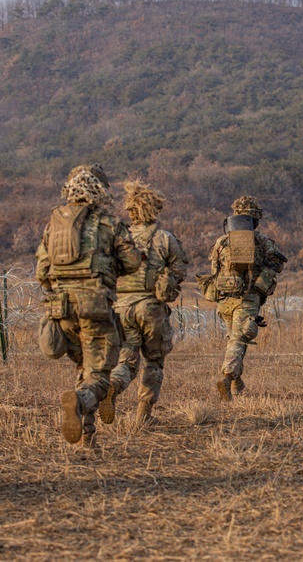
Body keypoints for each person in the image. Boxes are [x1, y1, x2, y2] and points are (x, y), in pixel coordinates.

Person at [35, 165, 140, 447]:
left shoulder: (53, 224)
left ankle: (88, 435)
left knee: (84, 365)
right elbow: (132, 262)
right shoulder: (108, 223)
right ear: (99, 192)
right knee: (100, 377)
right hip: (94, 307)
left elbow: (42, 273)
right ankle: (81, 402)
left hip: (61, 309)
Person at [101, 180, 189, 427]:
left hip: (121, 308)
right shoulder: (163, 238)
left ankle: (114, 385)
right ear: (155, 209)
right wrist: (167, 280)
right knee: (153, 360)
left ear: (131, 210)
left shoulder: (118, 239)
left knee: (126, 359)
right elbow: (180, 267)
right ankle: (143, 415)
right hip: (150, 307)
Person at [205, 196, 287, 401]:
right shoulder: (260, 240)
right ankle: (227, 377)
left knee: (235, 339)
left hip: (224, 299)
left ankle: (236, 383)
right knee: (239, 340)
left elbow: (214, 271)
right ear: (256, 218)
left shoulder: (221, 241)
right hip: (247, 298)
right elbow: (277, 264)